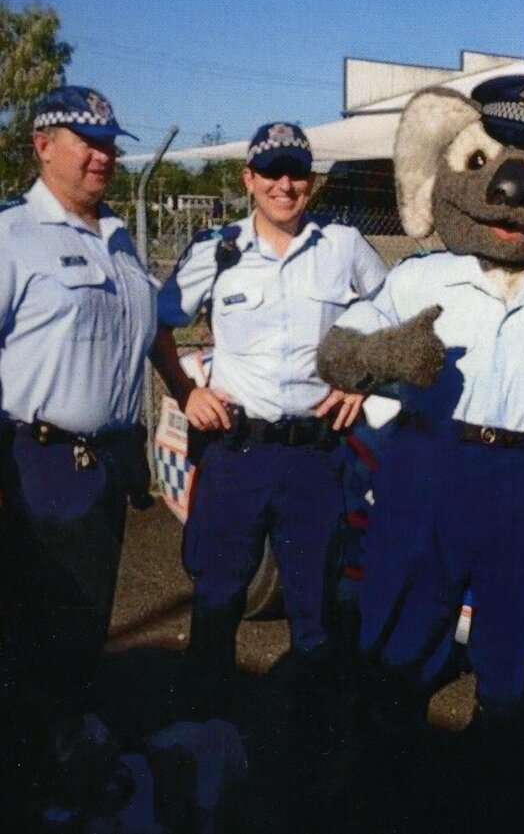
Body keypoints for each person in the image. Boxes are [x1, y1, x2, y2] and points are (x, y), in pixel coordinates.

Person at [152, 122, 388, 727]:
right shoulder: (218, 248)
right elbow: (157, 323)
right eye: (272, 173)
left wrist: (360, 381)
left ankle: (308, 745)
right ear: (249, 180)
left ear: (312, 180)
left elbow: (393, 315)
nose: (285, 185)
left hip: (314, 454)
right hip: (237, 451)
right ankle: (202, 738)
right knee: (217, 597)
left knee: (316, 605)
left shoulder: (343, 245)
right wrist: (186, 392)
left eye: (297, 173)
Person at [0, 85, 158, 826]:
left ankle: (60, 759)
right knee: (35, 629)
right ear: (42, 145)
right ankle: (32, 785)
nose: (104, 157)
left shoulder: (119, 239)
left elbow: (151, 330)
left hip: (104, 466)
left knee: (81, 624)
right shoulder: (13, 235)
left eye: (110, 144)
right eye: (87, 143)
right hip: (37, 463)